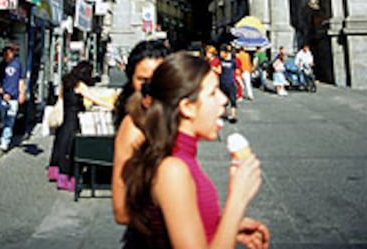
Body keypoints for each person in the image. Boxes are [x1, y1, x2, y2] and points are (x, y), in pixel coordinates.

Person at [124, 51, 270, 249]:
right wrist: (237, 199)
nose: (223, 100)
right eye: (212, 93)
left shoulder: (180, 158)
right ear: (188, 107)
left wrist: (223, 228)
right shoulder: (172, 169)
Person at [112, 40, 170, 235]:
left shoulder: (170, 117)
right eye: (142, 80)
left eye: (158, 78)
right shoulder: (133, 128)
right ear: (131, 80)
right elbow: (121, 211)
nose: (150, 87)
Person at [47, 60, 112, 191]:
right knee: (71, 149)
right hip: (74, 119)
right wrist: (111, 106)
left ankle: (55, 172)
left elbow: (60, 98)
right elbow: (95, 99)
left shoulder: (66, 81)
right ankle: (66, 179)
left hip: (63, 118)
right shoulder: (80, 85)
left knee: (60, 146)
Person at [0, 45, 25, 152]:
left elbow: (21, 80)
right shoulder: (0, 66)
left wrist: (22, 93)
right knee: (3, 117)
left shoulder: (17, 65)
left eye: (10, 53)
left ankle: (5, 142)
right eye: (6, 53)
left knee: (10, 120)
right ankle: (1, 128)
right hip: (3, 97)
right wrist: (2, 91)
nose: (7, 55)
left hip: (14, 97)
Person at [218, 44, 238, 123]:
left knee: (232, 99)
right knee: (223, 100)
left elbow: (236, 70)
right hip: (222, 82)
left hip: (230, 82)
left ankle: (233, 116)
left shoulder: (233, 61)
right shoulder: (220, 60)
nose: (220, 54)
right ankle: (224, 114)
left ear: (226, 53)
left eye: (222, 52)